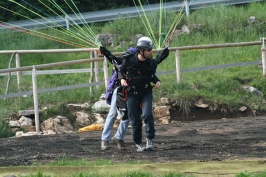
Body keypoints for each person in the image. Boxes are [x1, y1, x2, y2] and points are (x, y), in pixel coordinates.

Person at [117, 36, 168, 152]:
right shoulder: (129, 60)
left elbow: (150, 75)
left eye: (151, 50)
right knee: (135, 119)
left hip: (145, 91)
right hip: (131, 92)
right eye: (149, 50)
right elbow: (120, 70)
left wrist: (156, 81)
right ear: (141, 51)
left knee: (147, 115)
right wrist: (121, 79)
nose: (151, 52)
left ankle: (150, 138)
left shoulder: (151, 63)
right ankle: (138, 142)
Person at [99, 47, 136, 151]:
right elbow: (113, 59)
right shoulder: (123, 62)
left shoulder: (140, 63)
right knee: (113, 113)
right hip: (120, 90)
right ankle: (105, 139)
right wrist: (105, 52)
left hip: (132, 91)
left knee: (128, 115)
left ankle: (119, 137)